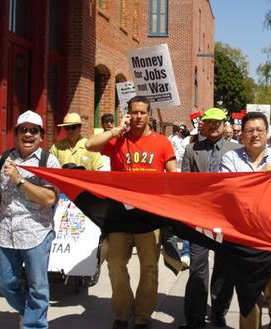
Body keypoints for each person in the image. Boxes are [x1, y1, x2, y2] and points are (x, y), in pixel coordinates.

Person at [86, 96, 176, 329]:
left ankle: (143, 316)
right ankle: (123, 312)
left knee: (149, 268)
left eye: (142, 113)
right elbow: (89, 145)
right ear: (128, 113)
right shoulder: (118, 140)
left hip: (149, 215)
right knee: (115, 264)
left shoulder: (162, 142)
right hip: (119, 214)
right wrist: (116, 130)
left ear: (149, 115)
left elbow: (173, 176)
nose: (138, 117)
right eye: (133, 112)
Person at [220, 112, 271, 329]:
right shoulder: (231, 159)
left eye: (259, 130)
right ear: (242, 135)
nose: (255, 135)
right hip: (244, 240)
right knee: (248, 300)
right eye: (249, 131)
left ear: (267, 133)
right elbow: (230, 192)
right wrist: (260, 179)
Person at [0, 110, 60, 329]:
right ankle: (29, 312)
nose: (28, 135)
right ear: (16, 134)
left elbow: (49, 198)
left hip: (37, 232)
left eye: (33, 131)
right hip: (6, 232)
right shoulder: (3, 159)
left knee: (38, 286)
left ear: (41, 136)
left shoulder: (49, 161)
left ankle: (33, 324)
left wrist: (19, 180)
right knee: (4, 282)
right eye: (23, 130)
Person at [180, 107, 241, 329]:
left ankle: (219, 313)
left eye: (217, 122)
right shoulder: (191, 150)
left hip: (227, 219)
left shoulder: (237, 149)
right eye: (209, 122)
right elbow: (184, 185)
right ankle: (194, 318)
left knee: (224, 269)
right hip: (200, 218)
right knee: (197, 266)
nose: (213, 126)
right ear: (203, 125)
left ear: (224, 125)